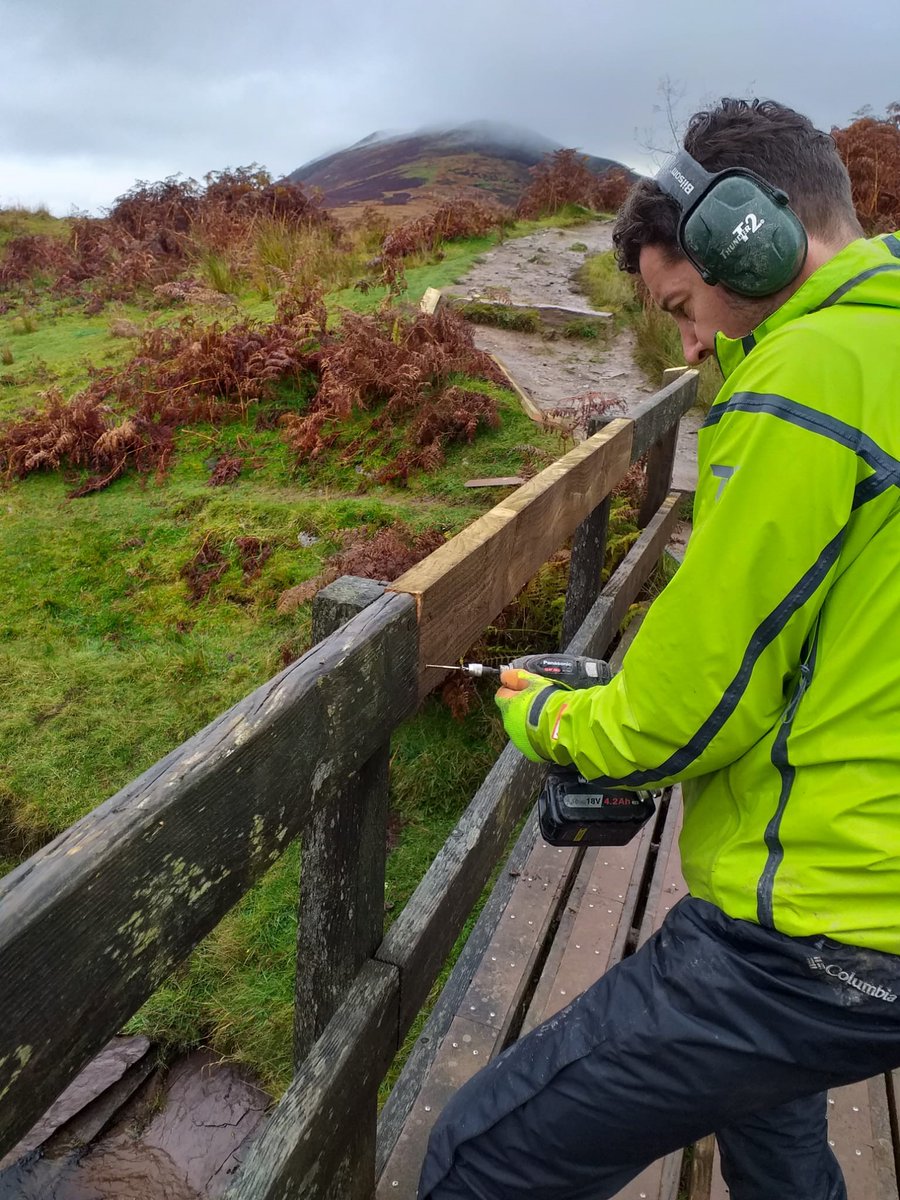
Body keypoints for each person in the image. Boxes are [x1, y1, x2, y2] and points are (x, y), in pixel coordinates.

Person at [418, 98, 900, 1200]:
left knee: (482, 1157)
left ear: (749, 232)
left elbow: (681, 711)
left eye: (684, 305)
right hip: (871, 893)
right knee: (773, 1136)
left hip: (823, 936)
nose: (689, 346)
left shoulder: (810, 375)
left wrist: (549, 710)